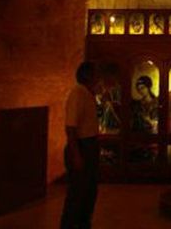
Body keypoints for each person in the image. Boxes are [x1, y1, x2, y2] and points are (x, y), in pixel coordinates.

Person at [61, 61, 100, 229]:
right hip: (82, 146)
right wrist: (76, 154)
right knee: (77, 192)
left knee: (89, 191)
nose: (98, 78)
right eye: (95, 74)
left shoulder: (87, 93)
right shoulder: (78, 93)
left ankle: (83, 223)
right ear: (87, 75)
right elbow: (71, 127)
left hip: (89, 145)